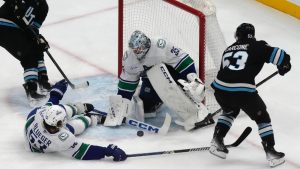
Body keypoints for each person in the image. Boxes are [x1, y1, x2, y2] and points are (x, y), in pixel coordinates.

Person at [209, 23, 291, 167]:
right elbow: (280, 55)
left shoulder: (228, 49)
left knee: (230, 110)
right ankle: (271, 152)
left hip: (219, 89)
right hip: (242, 91)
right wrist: (284, 65)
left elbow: (226, 71)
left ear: (238, 34)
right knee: (262, 117)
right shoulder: (257, 45)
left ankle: (217, 141)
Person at [113, 30, 214, 131]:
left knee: (172, 86)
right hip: (152, 80)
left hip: (173, 74)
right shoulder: (129, 58)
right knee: (146, 108)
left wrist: (192, 79)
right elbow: (127, 84)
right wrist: (120, 105)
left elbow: (183, 60)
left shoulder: (160, 46)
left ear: (146, 45)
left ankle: (197, 111)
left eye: (139, 49)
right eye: (134, 50)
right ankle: (159, 99)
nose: (136, 52)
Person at [24, 79, 127, 161]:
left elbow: (51, 104)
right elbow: (83, 152)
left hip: (31, 122)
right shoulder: (59, 140)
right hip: (44, 144)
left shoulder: (40, 114)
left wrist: (56, 93)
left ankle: (79, 108)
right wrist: (107, 151)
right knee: (73, 127)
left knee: (60, 109)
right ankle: (92, 118)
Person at [0, 0, 52, 101]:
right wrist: (14, 2)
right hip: (3, 25)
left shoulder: (43, 7)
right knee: (28, 54)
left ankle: (43, 81)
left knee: (37, 46)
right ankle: (31, 89)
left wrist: (38, 38)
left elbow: (33, 29)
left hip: (18, 30)